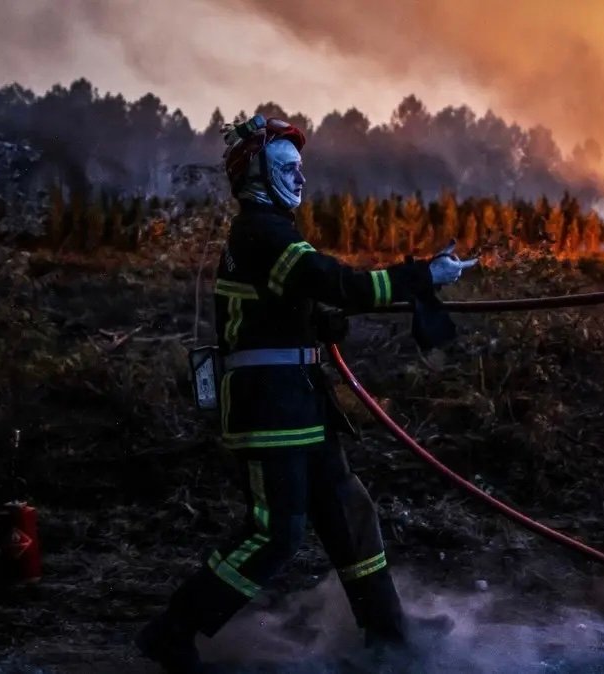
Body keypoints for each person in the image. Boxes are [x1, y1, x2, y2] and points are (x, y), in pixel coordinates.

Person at [136, 114, 477, 673]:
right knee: (276, 534)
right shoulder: (261, 233)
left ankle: (388, 635)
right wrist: (422, 278)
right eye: (287, 168)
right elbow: (335, 281)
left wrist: (317, 325)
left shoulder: (274, 233)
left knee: (349, 512)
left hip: (299, 403)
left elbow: (287, 303)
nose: (299, 179)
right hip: (268, 409)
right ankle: (173, 631)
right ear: (256, 178)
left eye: (300, 169)